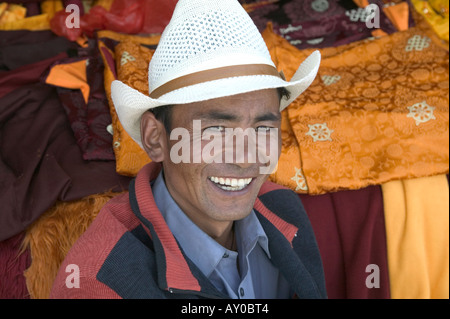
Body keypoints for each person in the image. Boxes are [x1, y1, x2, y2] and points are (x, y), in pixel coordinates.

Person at [50, 0, 326, 299]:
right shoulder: (100, 282)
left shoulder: (282, 209)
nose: (248, 157)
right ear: (156, 138)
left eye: (263, 128)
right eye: (217, 129)